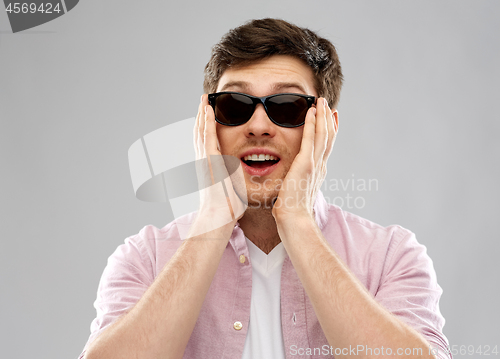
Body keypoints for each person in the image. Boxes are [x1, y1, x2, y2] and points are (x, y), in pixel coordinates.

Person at [79, 18, 450, 359]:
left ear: (326, 129)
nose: (258, 126)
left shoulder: (390, 257)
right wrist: (213, 218)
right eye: (234, 105)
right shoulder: (145, 258)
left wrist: (298, 222)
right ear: (206, 124)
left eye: (287, 106)